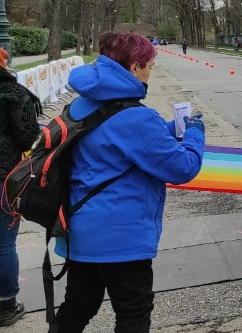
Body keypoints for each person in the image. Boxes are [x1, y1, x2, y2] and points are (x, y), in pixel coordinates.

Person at [54, 32, 206, 332]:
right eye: (149, 66)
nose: (150, 73)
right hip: (120, 237)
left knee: (78, 306)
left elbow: (110, 139)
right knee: (133, 312)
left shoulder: (83, 102)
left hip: (80, 227)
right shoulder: (136, 117)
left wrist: (166, 130)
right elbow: (183, 168)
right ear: (135, 67)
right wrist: (194, 135)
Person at [0, 47, 42, 328]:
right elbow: (29, 139)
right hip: (3, 177)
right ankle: (5, 305)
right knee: (3, 244)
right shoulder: (13, 94)